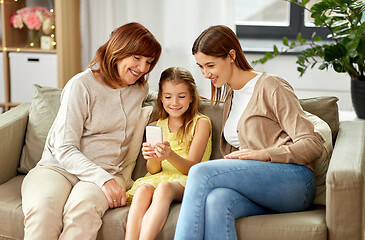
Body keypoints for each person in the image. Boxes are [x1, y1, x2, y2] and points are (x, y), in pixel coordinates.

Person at [174, 25, 326, 240]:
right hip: (260, 187)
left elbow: (312, 143)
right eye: (200, 66)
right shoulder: (231, 95)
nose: (206, 74)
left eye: (210, 65)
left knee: (200, 172)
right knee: (217, 200)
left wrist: (265, 154)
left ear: (231, 56)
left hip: (295, 183)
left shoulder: (271, 86)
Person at [21, 22, 162, 240]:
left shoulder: (139, 89)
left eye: (149, 62)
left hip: (104, 171)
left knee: (82, 214)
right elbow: (65, 147)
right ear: (119, 50)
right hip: (57, 169)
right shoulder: (81, 85)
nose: (143, 68)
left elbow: (161, 95)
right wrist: (104, 180)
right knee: (43, 211)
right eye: (137, 58)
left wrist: (184, 94)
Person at [125, 67, 212, 240]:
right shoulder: (155, 126)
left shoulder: (201, 123)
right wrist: (152, 157)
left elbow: (192, 168)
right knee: (142, 190)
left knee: (164, 188)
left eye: (181, 96)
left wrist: (169, 155)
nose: (174, 102)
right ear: (161, 98)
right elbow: (154, 170)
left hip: (188, 178)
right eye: (168, 97)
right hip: (160, 177)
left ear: (191, 97)